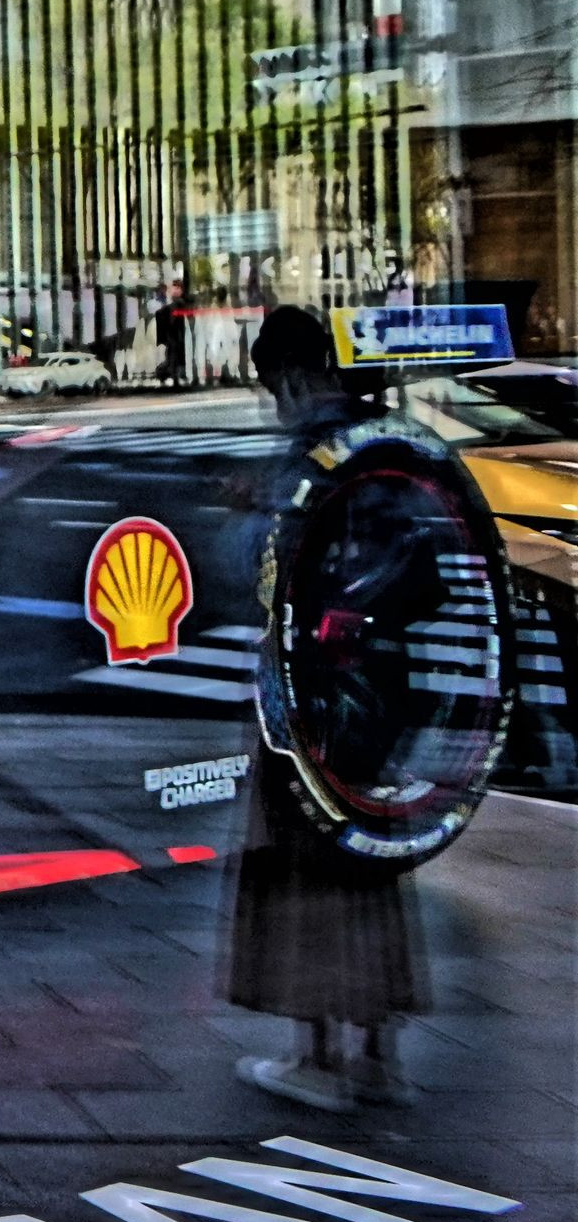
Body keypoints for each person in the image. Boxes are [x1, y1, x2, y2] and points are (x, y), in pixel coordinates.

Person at [225, 302, 422, 1112]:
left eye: (271, 384)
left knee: (295, 862)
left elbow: (264, 570)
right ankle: (377, 1055)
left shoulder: (301, 456)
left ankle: (315, 1054)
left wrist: (246, 513)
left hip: (304, 689)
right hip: (377, 690)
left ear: (284, 375)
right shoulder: (375, 442)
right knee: (368, 857)